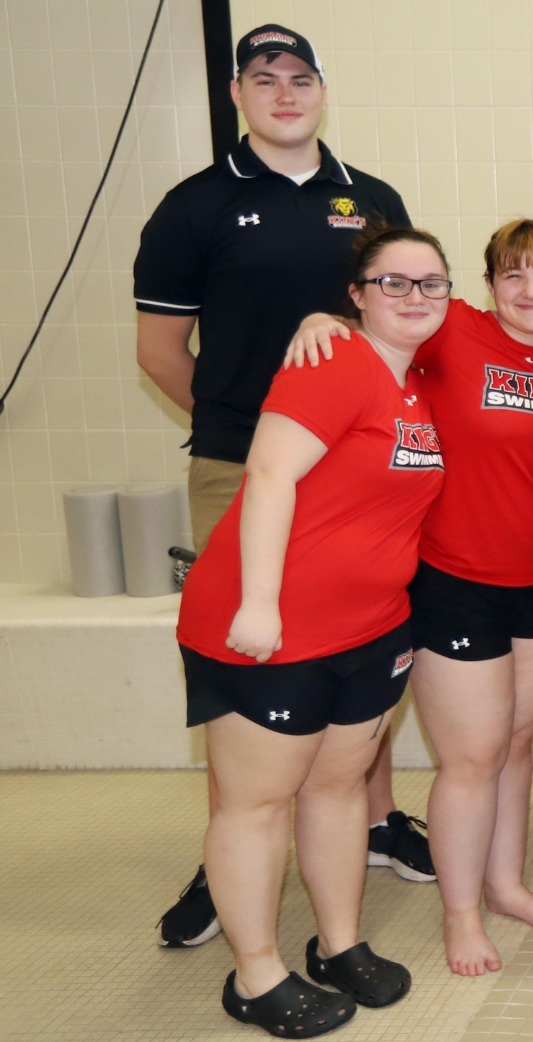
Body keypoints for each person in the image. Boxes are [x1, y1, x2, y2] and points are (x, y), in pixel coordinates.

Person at [135, 23, 429, 952]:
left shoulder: (370, 198)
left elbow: (396, 311)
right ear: (237, 93)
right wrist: (257, 432)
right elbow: (157, 351)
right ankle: (231, 862)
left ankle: (367, 823)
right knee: (251, 676)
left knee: (353, 671)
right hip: (244, 465)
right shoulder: (195, 206)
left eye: (301, 77)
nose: (285, 93)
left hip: (369, 473)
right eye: (265, 79)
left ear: (322, 88)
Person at [285, 220, 533, 976]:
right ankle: (460, 914)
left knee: (515, 745)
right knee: (471, 756)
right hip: (454, 579)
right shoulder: (452, 330)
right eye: (514, 275)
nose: (531, 290)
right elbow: (383, 323)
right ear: (488, 285)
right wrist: (322, 317)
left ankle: (504, 882)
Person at [174, 225, 451, 1036]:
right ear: (355, 295)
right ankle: (255, 975)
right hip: (272, 629)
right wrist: (259, 603)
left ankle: (339, 944)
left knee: (336, 790)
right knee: (255, 804)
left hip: (369, 630)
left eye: (429, 282)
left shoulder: (414, 385)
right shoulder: (331, 362)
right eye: (391, 282)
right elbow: (266, 474)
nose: (413, 296)